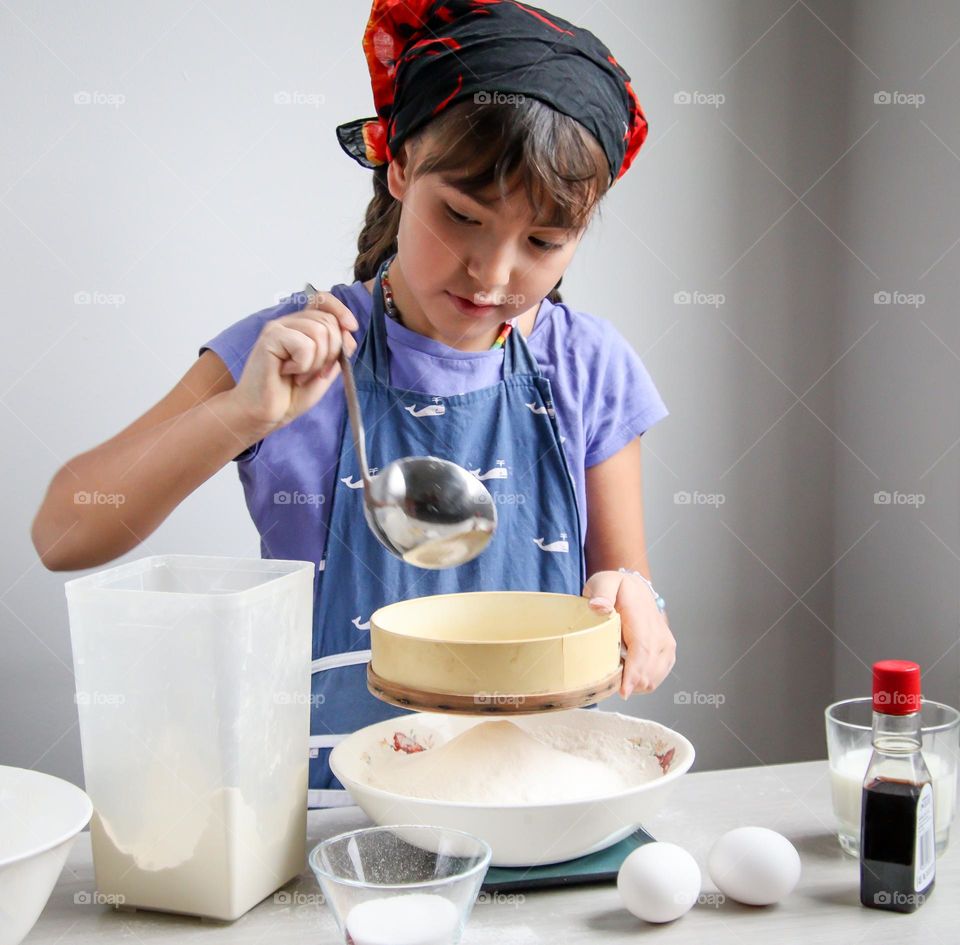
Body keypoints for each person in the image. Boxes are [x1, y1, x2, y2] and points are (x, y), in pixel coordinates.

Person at [32, 0, 676, 808]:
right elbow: (61, 532)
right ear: (399, 166)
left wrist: (634, 603)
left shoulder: (588, 366)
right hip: (326, 814)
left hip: (536, 803)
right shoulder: (288, 350)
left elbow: (619, 582)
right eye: (462, 217)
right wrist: (239, 417)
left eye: (543, 242)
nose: (491, 272)